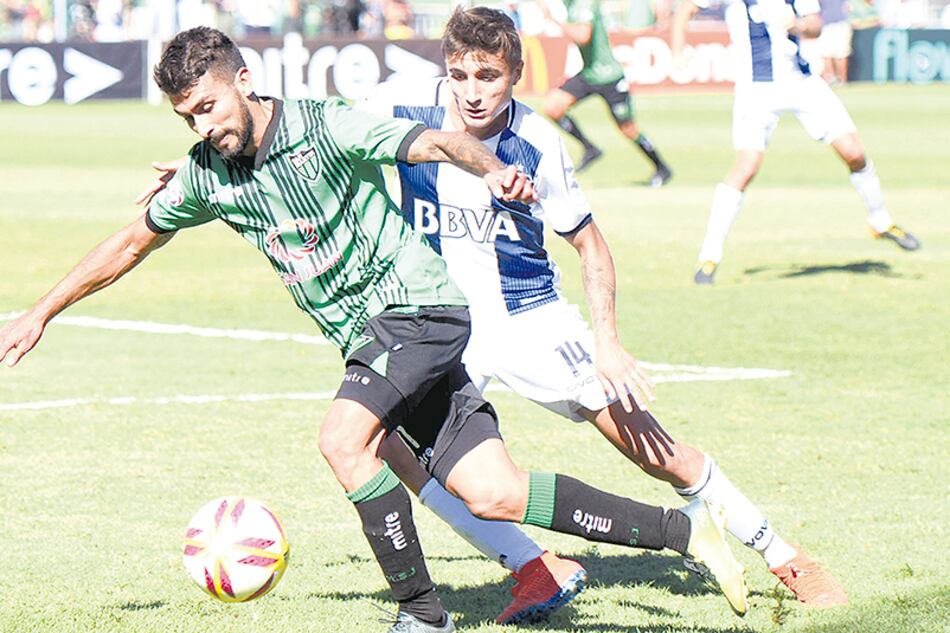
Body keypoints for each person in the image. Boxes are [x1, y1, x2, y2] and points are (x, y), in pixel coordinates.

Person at [2, 26, 747, 633]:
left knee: (342, 438)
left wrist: (489, 167)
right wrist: (41, 310)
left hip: (416, 310)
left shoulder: (325, 127)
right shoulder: (207, 173)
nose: (202, 126)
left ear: (244, 79)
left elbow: (434, 143)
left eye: (207, 107)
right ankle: (688, 533)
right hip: (380, 339)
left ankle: (423, 613)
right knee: (493, 492)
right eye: (187, 118)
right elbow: (128, 243)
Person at [356, 5, 846, 618]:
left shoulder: (537, 142)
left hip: (530, 321)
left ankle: (782, 553)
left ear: (516, 74)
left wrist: (608, 341)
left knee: (652, 449)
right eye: (459, 75)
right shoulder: (401, 106)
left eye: (489, 77)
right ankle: (534, 568)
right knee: (385, 445)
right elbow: (318, 128)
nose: (472, 93)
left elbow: (589, 243)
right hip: (445, 329)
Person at [672, 0, 920, 285]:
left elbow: (815, 25)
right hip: (756, 90)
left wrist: (797, 24)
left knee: (854, 152)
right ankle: (709, 254)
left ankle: (880, 220)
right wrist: (678, 53)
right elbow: (685, 10)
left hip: (800, 83)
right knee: (746, 166)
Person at [539, 0, 673, 185]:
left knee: (628, 129)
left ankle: (662, 168)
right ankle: (590, 148)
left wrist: (553, 20)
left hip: (609, 76)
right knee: (553, 106)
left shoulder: (584, 4)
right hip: (589, 74)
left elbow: (583, 35)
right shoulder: (570, 4)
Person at [818, 0, 853, 85]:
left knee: (841, 54)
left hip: (841, 22)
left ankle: (842, 80)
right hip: (824, 23)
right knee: (826, 54)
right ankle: (830, 79)